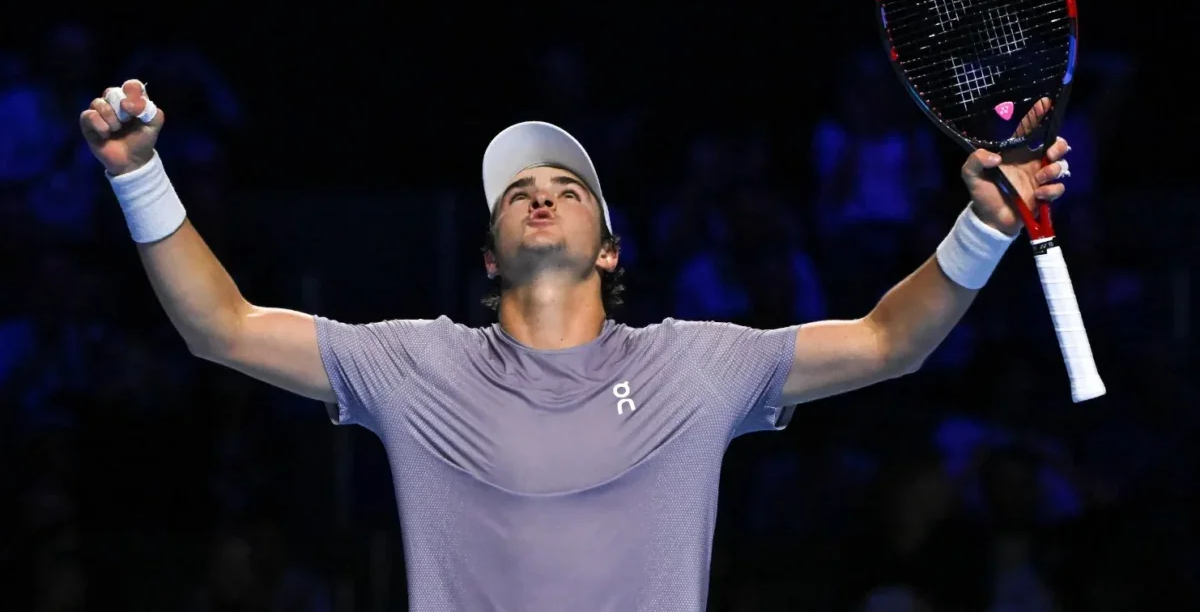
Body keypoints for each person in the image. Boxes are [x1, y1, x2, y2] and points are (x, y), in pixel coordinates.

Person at [79, 80, 1071, 612]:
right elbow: (223, 326)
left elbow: (891, 340)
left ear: (607, 247)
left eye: (565, 185)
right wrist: (139, 175)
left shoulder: (697, 364)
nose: (539, 191)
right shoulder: (414, 365)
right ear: (490, 254)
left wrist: (982, 224)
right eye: (518, 190)